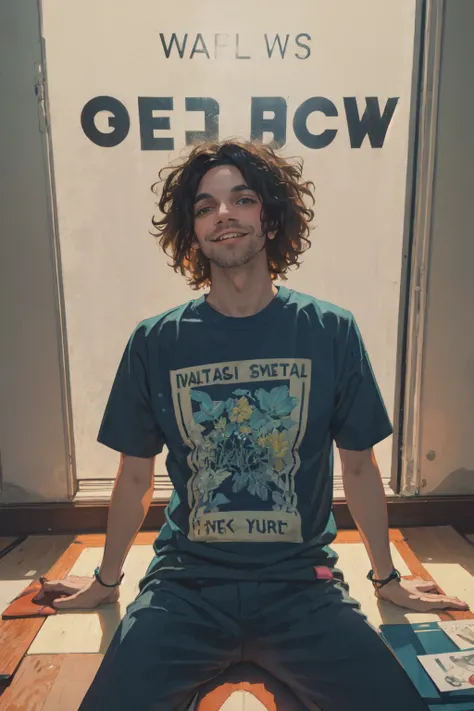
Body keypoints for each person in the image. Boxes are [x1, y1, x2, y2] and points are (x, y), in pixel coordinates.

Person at [35, 140, 468, 711]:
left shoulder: (330, 331)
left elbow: (359, 467)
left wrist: (386, 579)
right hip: (184, 588)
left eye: (242, 198)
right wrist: (107, 582)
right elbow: (134, 480)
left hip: (303, 588)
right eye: (205, 206)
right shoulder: (157, 341)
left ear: (270, 218)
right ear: (191, 230)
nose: (225, 215)